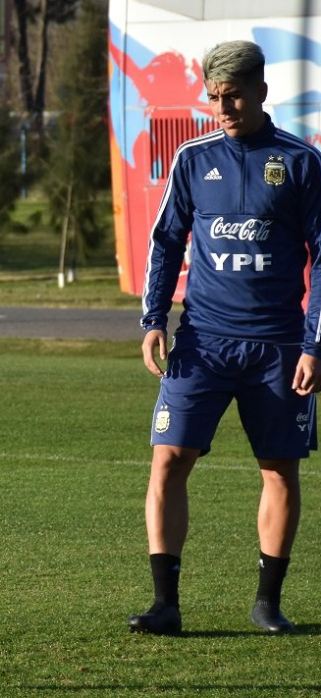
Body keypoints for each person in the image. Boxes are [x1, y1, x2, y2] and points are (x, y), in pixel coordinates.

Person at [128, 40, 321, 636]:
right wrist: (153, 319)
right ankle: (165, 604)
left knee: (278, 470)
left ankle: (268, 604)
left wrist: (315, 344)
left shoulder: (301, 162)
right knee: (168, 461)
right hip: (202, 342)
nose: (222, 107)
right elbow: (166, 241)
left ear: (261, 90)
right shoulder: (193, 158)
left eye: (233, 95)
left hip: (279, 347)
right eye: (213, 97)